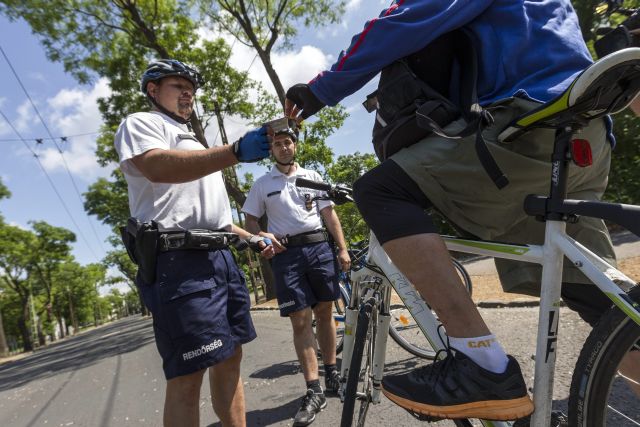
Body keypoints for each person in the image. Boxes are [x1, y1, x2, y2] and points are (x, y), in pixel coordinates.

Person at [284, 0, 620, 422]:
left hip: (531, 128)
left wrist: (320, 89)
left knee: (380, 190)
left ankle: (482, 364)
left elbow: (400, 23)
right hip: (584, 135)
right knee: (601, 305)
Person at [114, 59, 274, 427]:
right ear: (153, 91)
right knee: (189, 373)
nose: (188, 92)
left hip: (219, 259)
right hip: (179, 263)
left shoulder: (194, 142)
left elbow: (210, 218)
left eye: (191, 88)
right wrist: (233, 151)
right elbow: (156, 166)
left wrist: (251, 238)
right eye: (177, 86)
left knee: (230, 356)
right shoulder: (142, 123)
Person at [241, 126, 351, 426]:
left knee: (326, 311)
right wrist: (260, 235)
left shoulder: (313, 177)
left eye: (288, 142)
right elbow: (250, 219)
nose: (284, 147)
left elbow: (330, 215)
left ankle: (332, 374)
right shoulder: (262, 184)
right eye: (278, 144)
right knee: (300, 319)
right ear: (271, 150)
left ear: (295, 146)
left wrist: (342, 249)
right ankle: (313, 389)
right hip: (286, 255)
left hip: (318, 249)